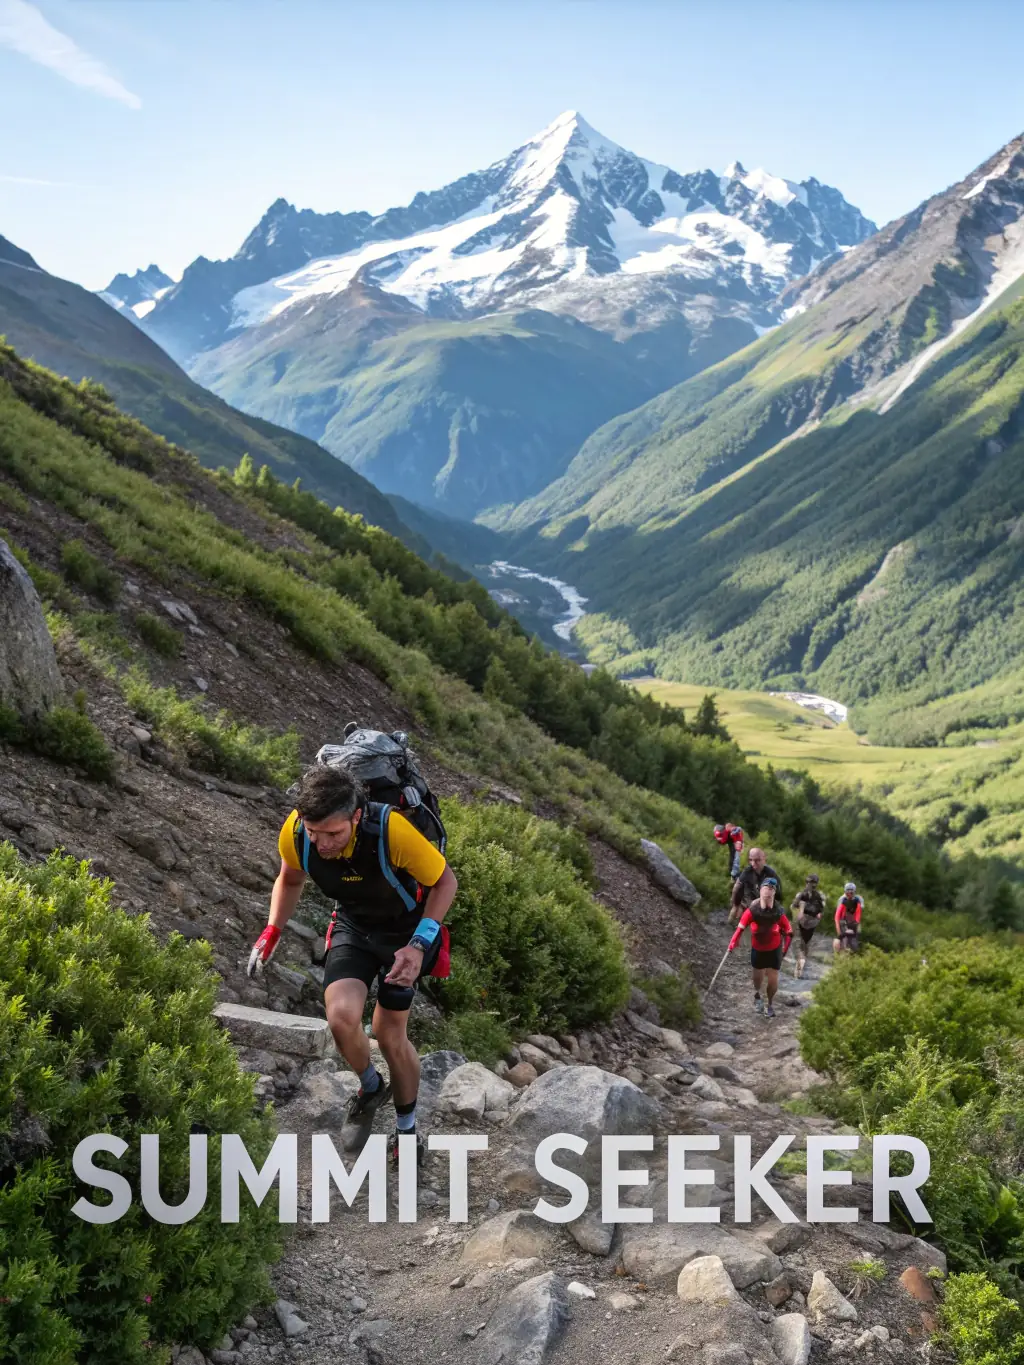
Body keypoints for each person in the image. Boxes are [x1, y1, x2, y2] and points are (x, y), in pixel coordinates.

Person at [247, 763, 458, 1163]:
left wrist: (417, 946)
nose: (322, 844)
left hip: (407, 931)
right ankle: (370, 1086)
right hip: (354, 926)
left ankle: (408, 1131)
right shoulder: (295, 833)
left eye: (333, 833)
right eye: (314, 833)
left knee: (388, 1032)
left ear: (356, 816)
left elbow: (445, 882)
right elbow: (290, 880)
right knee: (341, 1017)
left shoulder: (391, 830)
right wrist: (272, 931)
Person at [727, 877, 792, 1018]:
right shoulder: (752, 911)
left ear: (775, 893)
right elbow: (740, 928)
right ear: (760, 890)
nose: (769, 890)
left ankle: (770, 1004)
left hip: (774, 949)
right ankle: (757, 994)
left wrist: (785, 948)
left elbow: (788, 929)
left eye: (772, 888)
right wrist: (733, 942)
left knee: (773, 978)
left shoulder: (778, 912)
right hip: (758, 948)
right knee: (757, 977)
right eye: (766, 887)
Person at [728, 847, 782, 926]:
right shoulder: (748, 871)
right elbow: (737, 886)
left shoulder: (770, 874)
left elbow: (778, 892)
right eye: (751, 860)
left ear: (763, 860)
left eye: (757, 860)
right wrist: (734, 901)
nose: (753, 863)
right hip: (749, 897)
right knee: (733, 915)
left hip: (768, 898)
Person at [790, 873, 826, 977]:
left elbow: (820, 911)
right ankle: (799, 967)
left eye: (813, 883)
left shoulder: (819, 896)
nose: (811, 885)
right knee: (800, 944)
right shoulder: (801, 895)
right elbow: (794, 906)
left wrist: (817, 914)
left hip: (810, 923)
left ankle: (800, 965)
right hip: (801, 922)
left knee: (805, 945)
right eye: (810, 883)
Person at [834, 882, 863, 953]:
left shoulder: (858, 900)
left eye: (852, 892)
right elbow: (837, 915)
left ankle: (853, 946)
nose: (850, 893)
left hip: (852, 920)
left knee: (858, 931)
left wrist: (856, 923)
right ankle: (842, 946)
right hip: (843, 919)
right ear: (845, 891)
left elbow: (858, 914)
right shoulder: (842, 899)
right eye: (848, 891)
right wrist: (839, 929)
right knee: (844, 933)